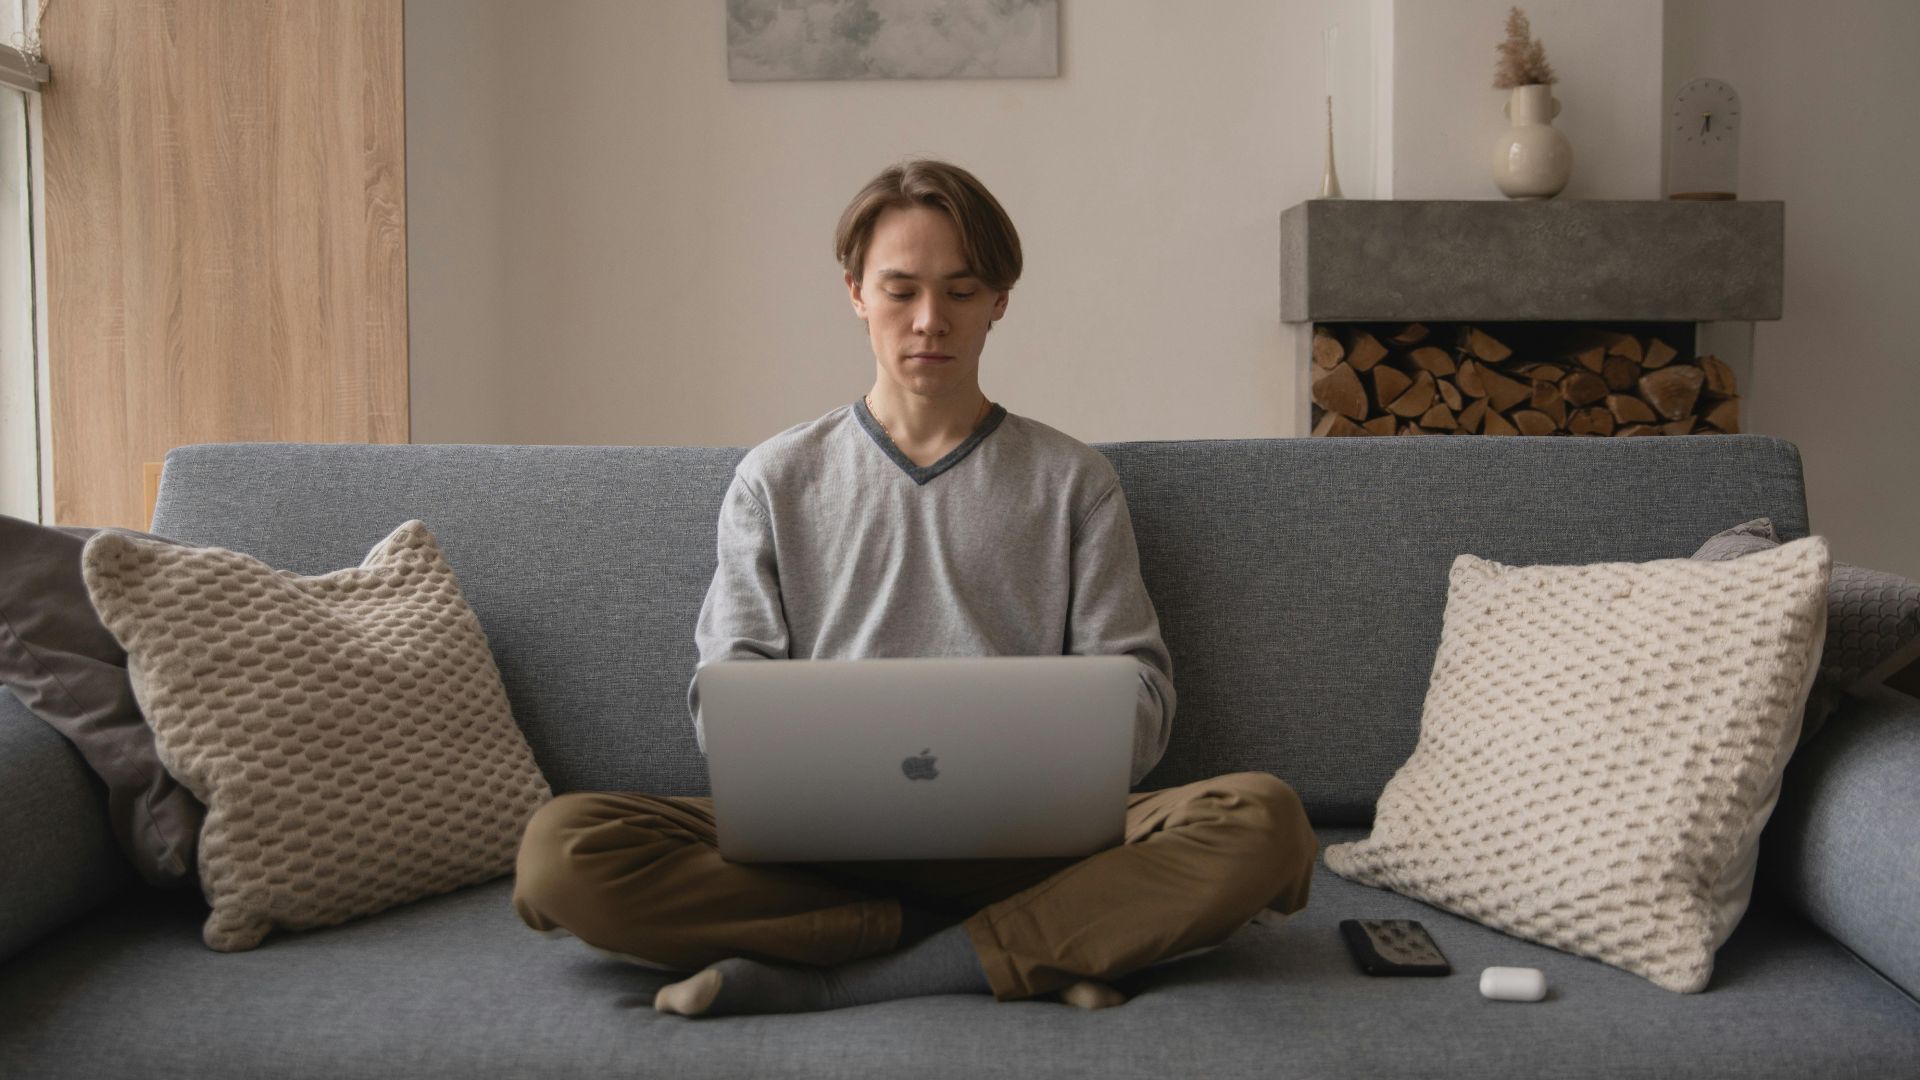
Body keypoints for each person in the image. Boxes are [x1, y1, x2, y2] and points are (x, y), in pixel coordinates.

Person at [511, 158, 1318, 1017]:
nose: (931, 320)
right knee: (562, 853)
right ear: (855, 293)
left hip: (1034, 849)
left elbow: (1145, 702)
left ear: (999, 300)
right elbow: (726, 704)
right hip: (817, 853)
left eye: (961, 292)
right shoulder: (774, 479)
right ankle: (1031, 946)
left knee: (1265, 822)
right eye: (900, 291)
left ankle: (846, 973)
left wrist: (1056, 745)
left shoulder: (1073, 481)